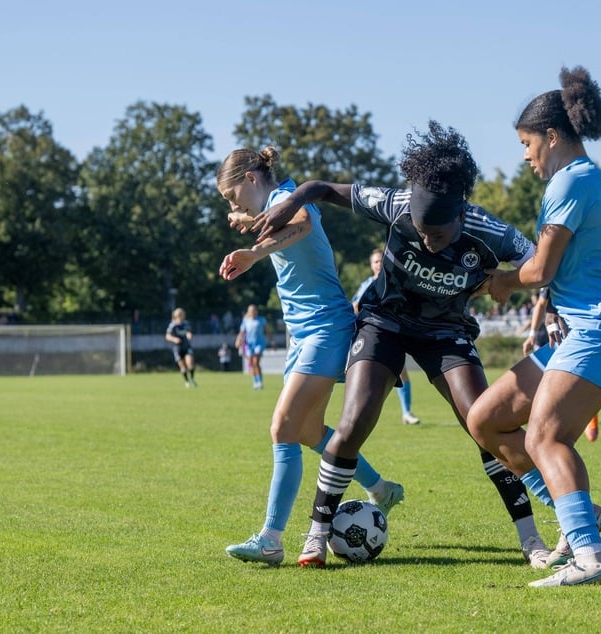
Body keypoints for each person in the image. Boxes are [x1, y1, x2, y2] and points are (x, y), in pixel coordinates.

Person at [251, 120, 557, 569]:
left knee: (482, 424)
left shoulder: (491, 232)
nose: (429, 242)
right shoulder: (395, 204)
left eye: (439, 234)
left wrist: (512, 282)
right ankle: (315, 537)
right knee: (353, 420)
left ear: (460, 215)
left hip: (445, 333)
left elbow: (543, 267)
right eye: (421, 232)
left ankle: (532, 540)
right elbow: (320, 188)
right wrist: (290, 202)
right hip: (384, 322)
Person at [467, 66, 601, 587]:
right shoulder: (594, 177)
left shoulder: (569, 180)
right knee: (486, 419)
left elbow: (542, 269)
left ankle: (590, 559)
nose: (525, 156)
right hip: (583, 330)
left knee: (546, 436)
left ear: (552, 137)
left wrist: (498, 281)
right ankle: (581, 516)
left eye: (527, 144)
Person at [216, 145, 403, 566]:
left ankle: (271, 538)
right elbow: (283, 224)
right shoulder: (273, 205)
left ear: (249, 180)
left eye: (232, 197)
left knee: (283, 426)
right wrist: (248, 222)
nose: (233, 205)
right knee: (306, 429)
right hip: (304, 334)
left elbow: (300, 223)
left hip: (326, 329)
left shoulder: (287, 199)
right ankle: (380, 488)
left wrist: (254, 253)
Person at [524, 288, 601, 452]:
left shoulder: (599, 276)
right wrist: (532, 333)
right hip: (567, 341)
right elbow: (541, 303)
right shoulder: (556, 270)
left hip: (600, 337)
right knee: (554, 390)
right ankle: (554, 434)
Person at [351, 248, 420, 425]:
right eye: (375, 261)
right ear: (371, 265)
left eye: (381, 260)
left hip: (393, 333)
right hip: (371, 335)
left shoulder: (395, 281)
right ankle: (361, 413)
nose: (379, 264)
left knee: (402, 372)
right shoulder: (366, 285)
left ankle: (406, 412)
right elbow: (355, 306)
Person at [236, 304, 268, 390]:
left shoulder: (261, 320)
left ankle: (260, 382)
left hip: (259, 344)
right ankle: (255, 382)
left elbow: (268, 331)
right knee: (251, 364)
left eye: (254, 310)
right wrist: (238, 340)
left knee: (256, 362)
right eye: (251, 311)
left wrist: (272, 342)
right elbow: (242, 332)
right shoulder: (246, 321)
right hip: (249, 345)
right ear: (249, 312)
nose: (253, 312)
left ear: (256, 311)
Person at [165, 307, 196, 387]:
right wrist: (174, 339)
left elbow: (189, 332)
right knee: (182, 366)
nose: (182, 316)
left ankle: (192, 379)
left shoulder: (186, 323)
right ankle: (187, 381)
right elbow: (167, 336)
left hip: (186, 346)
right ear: (176, 316)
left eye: (182, 314)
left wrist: (189, 336)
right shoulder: (173, 325)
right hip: (177, 348)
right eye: (180, 314)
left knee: (190, 362)